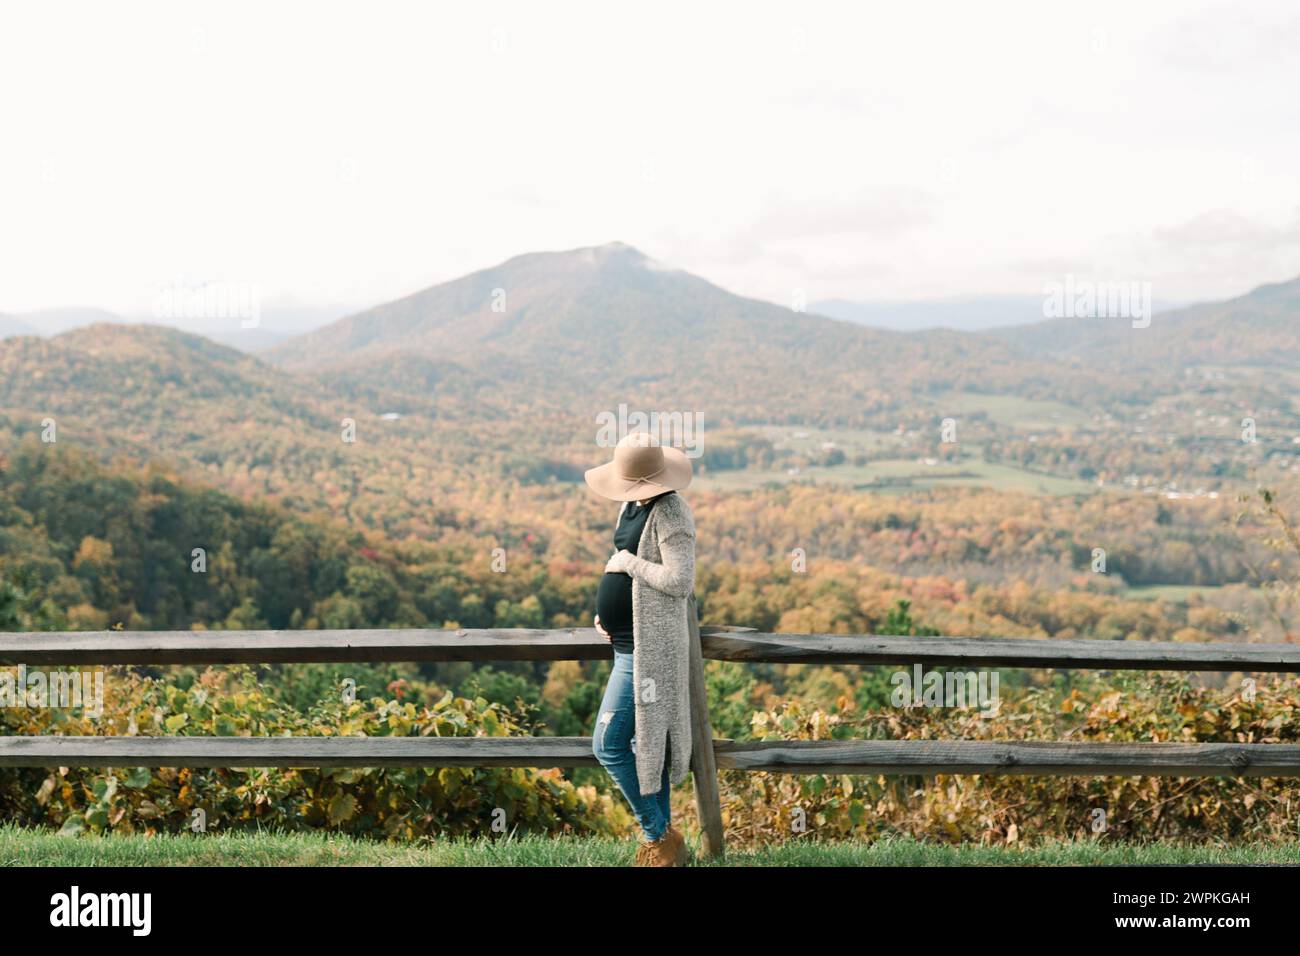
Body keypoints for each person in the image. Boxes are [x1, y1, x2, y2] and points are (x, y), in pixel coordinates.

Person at [584, 431, 697, 867]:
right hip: (626, 644)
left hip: (650, 653)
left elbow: (679, 581)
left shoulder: (671, 512)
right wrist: (606, 611)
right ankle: (667, 850)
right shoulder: (631, 505)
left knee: (608, 744)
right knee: (649, 747)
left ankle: (658, 835)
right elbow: (623, 564)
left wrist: (626, 566)